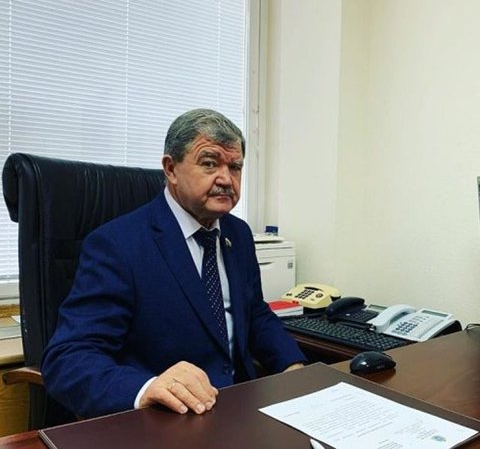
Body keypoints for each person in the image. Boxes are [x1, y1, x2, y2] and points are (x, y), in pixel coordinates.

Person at [41, 109, 307, 418]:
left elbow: (255, 314)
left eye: (235, 167)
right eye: (209, 163)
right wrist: (147, 388)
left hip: (239, 409)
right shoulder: (117, 245)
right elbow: (68, 359)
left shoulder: (238, 234)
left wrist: (293, 366)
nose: (226, 179)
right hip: (169, 417)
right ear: (171, 169)